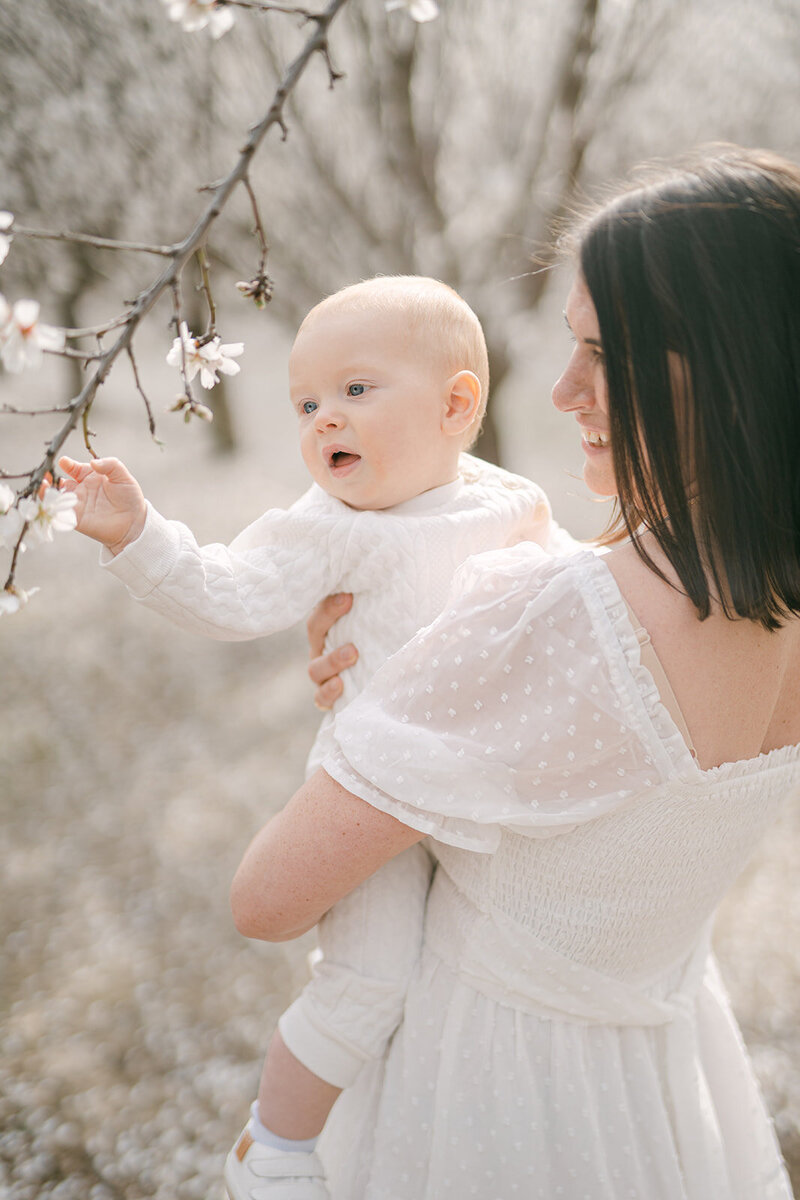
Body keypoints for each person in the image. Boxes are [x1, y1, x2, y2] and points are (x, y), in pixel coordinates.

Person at [228, 147, 800, 1200]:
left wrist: (366, 718)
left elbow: (266, 899)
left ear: (728, 364)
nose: (561, 389)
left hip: (484, 1091)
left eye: (605, 352)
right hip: (655, 1078)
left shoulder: (552, 628)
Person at [57, 275, 575, 1200]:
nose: (323, 419)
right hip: (373, 790)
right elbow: (230, 591)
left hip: (479, 786)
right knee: (367, 982)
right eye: (306, 403)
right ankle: (276, 1149)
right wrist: (137, 535)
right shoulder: (330, 526)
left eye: (355, 392)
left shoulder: (510, 501)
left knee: (463, 981)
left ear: (457, 405)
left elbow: (578, 599)